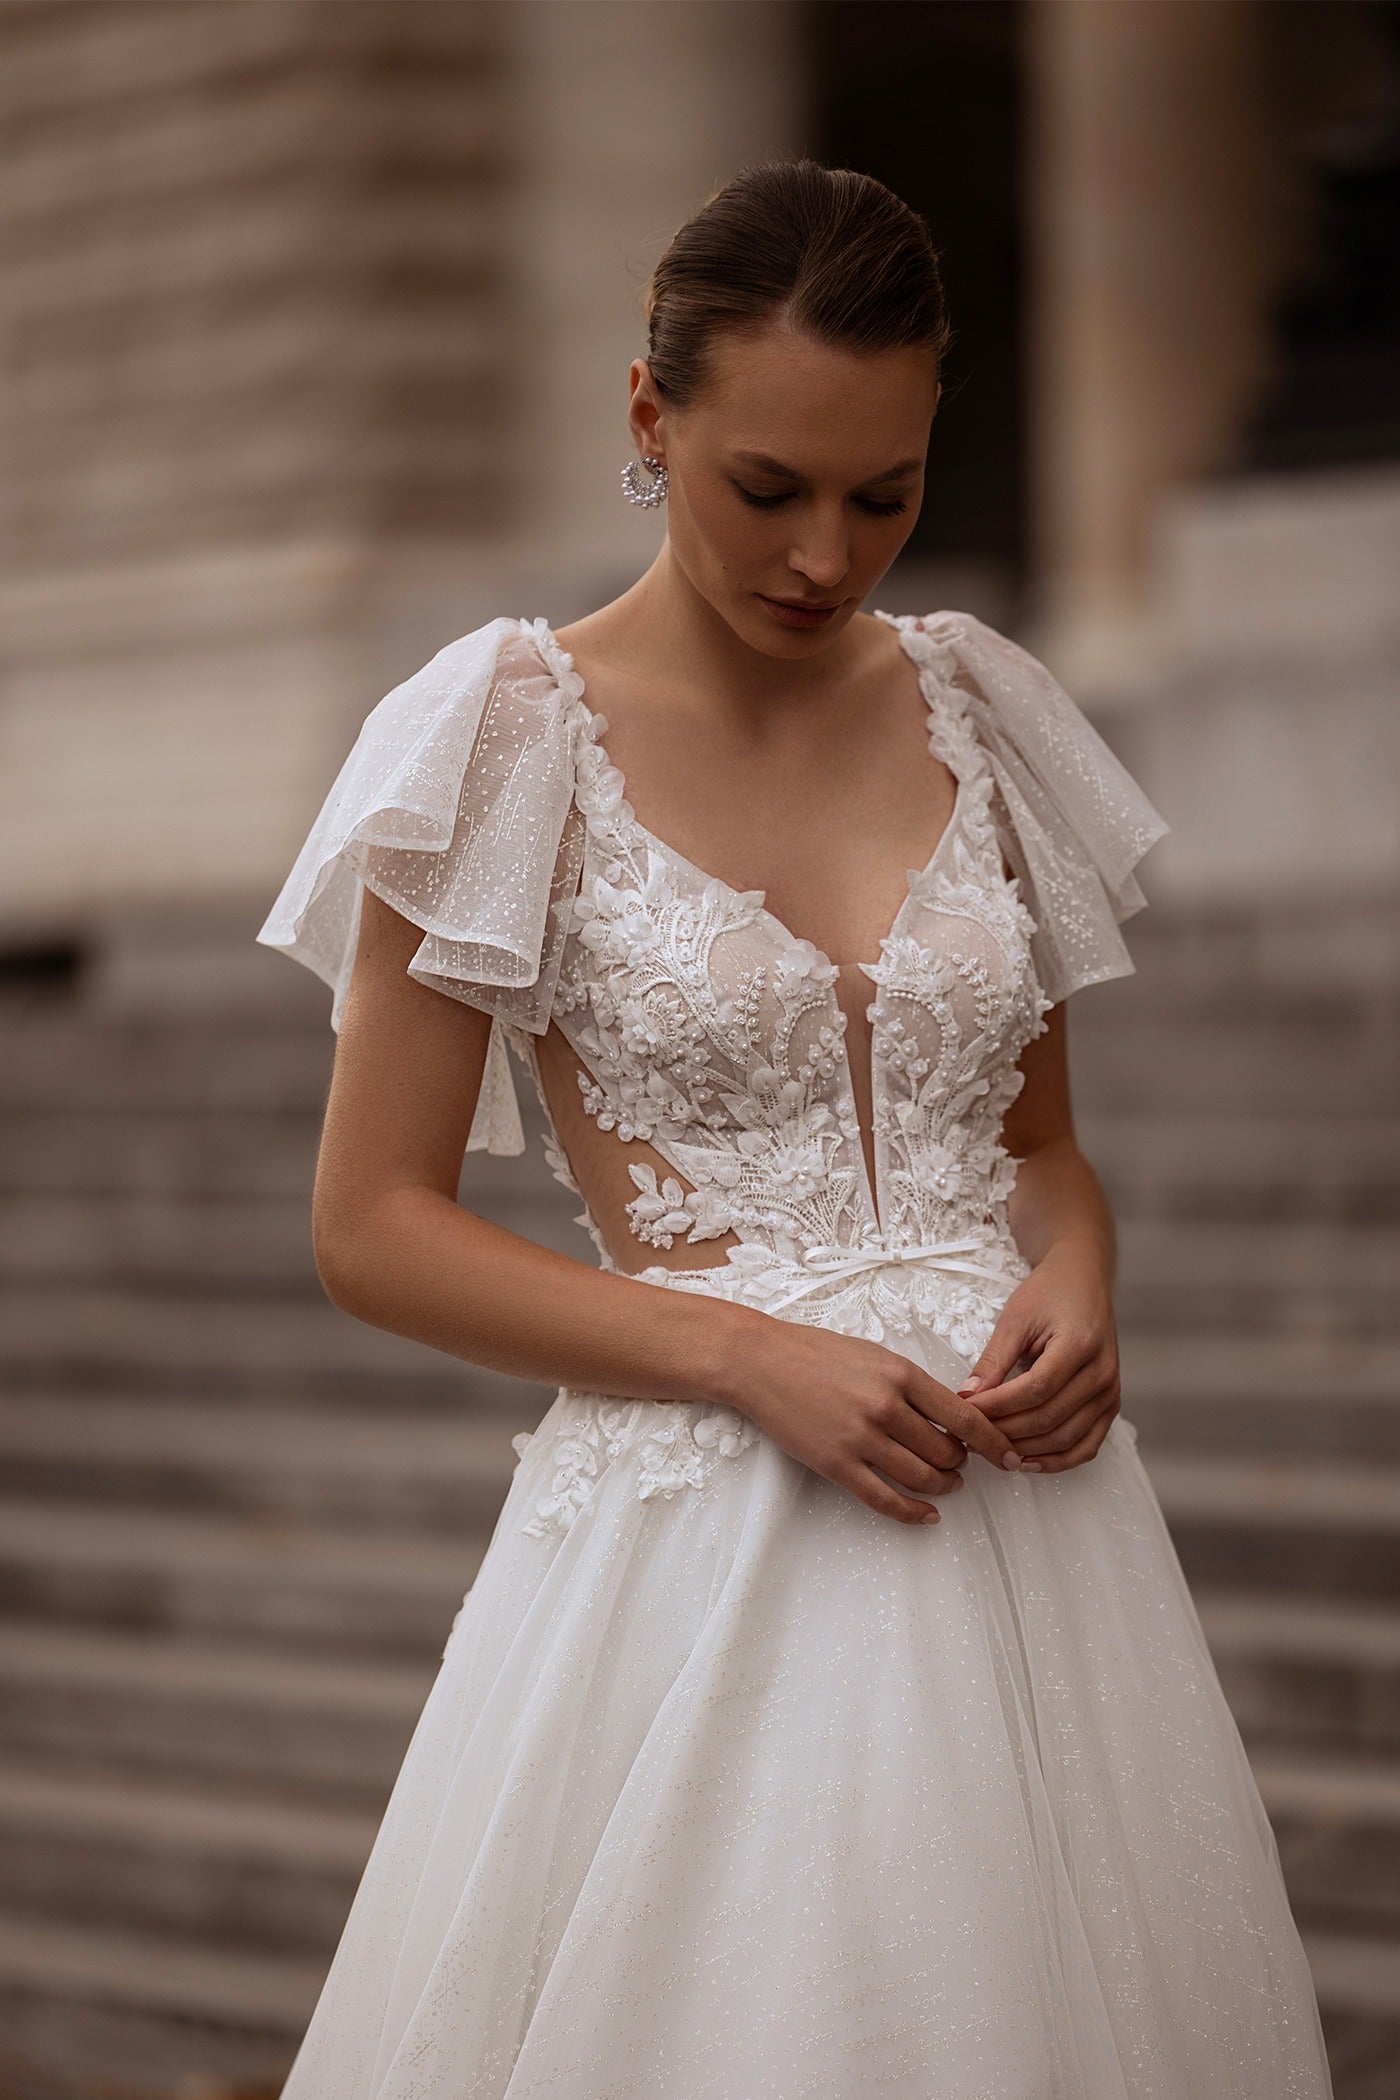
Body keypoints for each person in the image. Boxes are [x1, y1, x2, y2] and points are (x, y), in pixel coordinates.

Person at [257, 161, 1333, 2099]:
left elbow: (1034, 1146)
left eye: (885, 495)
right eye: (767, 489)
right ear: (649, 420)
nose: (828, 557)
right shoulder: (503, 733)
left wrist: (1079, 1275)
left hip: (1034, 1532)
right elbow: (373, 1227)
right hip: (707, 1534)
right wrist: (749, 1352)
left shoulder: (976, 709)